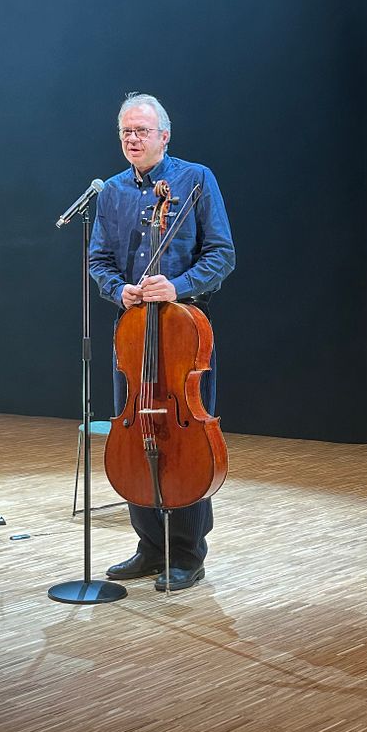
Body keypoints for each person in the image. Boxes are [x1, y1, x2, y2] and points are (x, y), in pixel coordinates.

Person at [89, 92, 235, 592]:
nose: (132, 139)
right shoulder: (109, 192)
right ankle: (150, 547)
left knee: (185, 438)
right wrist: (118, 289)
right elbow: (99, 261)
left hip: (184, 332)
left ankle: (189, 553)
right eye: (125, 131)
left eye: (142, 131)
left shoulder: (196, 179)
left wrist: (178, 286)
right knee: (135, 437)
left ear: (164, 136)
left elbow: (221, 254)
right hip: (132, 336)